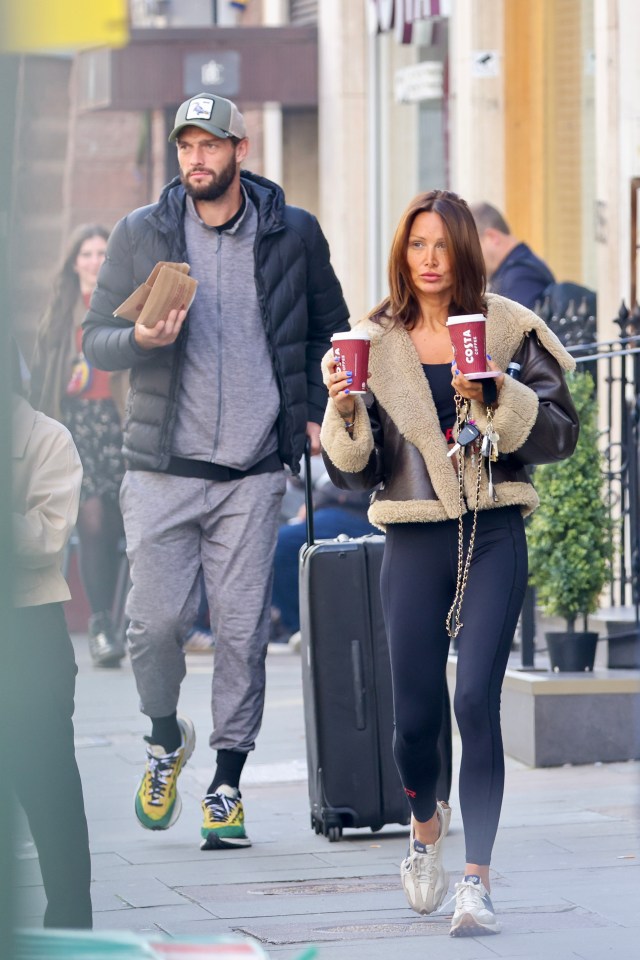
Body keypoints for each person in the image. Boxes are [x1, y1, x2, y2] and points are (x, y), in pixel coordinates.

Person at [82, 93, 349, 850]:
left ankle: (227, 784)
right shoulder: (141, 233)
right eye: (184, 147)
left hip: (254, 470)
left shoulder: (292, 233)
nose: (195, 159)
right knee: (154, 625)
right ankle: (167, 739)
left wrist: (316, 405)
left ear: (240, 146)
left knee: (240, 634)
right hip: (162, 466)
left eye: (209, 145)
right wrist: (136, 337)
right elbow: (93, 339)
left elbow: (330, 331)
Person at [320, 190, 578, 937]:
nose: (428, 260)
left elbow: (560, 433)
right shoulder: (370, 339)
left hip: (493, 532)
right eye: (416, 245)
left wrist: (502, 395)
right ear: (403, 253)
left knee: (474, 706)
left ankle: (478, 881)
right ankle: (425, 825)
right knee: (416, 722)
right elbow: (351, 470)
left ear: (465, 249)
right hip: (413, 537)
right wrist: (343, 410)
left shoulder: (508, 328)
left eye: (441, 245)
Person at [9, 338, 93, 928]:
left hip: (28, 635)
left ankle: (69, 921)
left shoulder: (46, 439)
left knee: (47, 788)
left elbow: (45, 539)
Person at [30, 224, 127, 668]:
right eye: (86, 253)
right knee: (91, 523)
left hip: (119, 422)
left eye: (100, 252)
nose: (93, 260)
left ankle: (124, 622)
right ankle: (101, 623)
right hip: (76, 425)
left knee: (123, 526)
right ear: (74, 262)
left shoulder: (120, 304)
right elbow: (43, 373)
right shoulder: (60, 311)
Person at [270, 467, 376, 644]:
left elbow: (353, 480)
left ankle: (303, 627)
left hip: (355, 511)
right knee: (277, 542)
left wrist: (317, 501)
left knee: (280, 544)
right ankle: (301, 626)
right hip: (335, 507)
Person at [469, 202, 555, 311]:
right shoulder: (519, 271)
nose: (468, 258)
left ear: (492, 237)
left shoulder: (520, 277)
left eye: (470, 249)